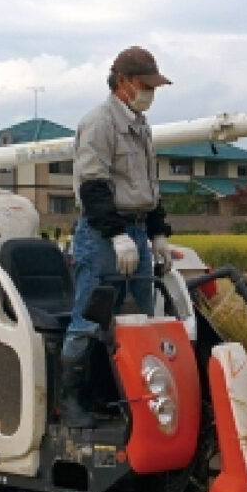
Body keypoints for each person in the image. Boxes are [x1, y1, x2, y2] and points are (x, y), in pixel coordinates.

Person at [58, 45, 173, 428]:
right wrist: (116, 235)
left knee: (141, 319)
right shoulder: (99, 123)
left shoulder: (141, 126)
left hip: (136, 230)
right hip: (102, 236)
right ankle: (71, 400)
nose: (150, 93)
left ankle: (128, 398)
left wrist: (157, 232)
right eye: (145, 85)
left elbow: (148, 187)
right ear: (123, 82)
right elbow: (92, 185)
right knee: (90, 318)